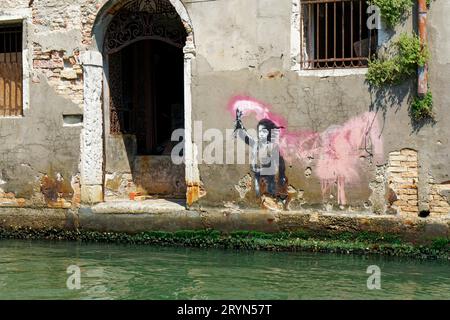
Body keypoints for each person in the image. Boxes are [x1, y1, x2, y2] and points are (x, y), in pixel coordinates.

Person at [233, 108, 288, 203]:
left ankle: (271, 206)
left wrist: (282, 175)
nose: (261, 134)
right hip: (258, 177)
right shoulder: (256, 143)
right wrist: (238, 120)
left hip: (269, 178)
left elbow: (280, 162)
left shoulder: (272, 147)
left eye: (264, 131)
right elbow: (244, 136)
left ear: (269, 133)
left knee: (270, 194)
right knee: (258, 195)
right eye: (260, 131)